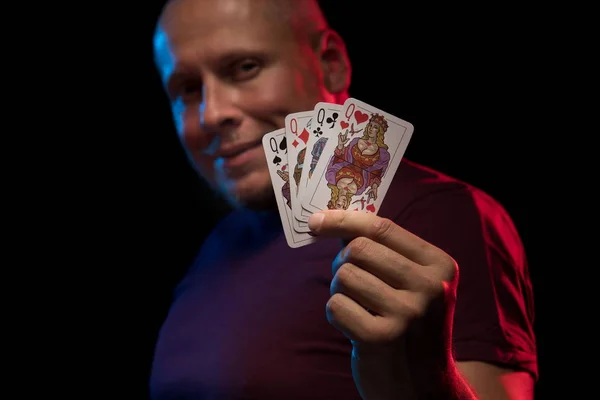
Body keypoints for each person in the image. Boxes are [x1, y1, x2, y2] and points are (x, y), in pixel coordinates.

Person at [150, 0, 537, 398]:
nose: (211, 114)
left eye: (245, 67)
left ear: (331, 64)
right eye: (187, 89)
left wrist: (427, 382)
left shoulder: (442, 215)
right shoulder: (218, 244)